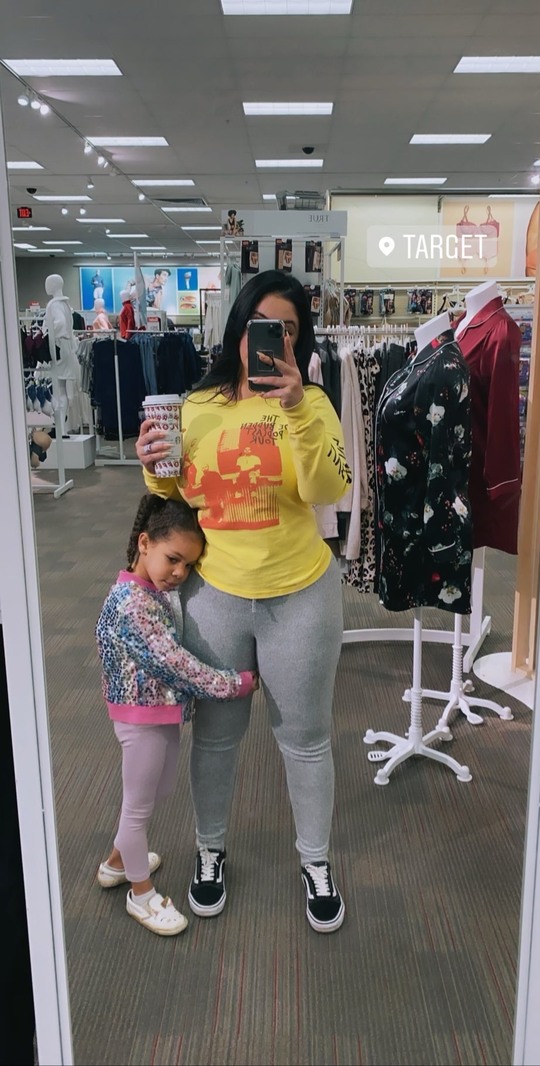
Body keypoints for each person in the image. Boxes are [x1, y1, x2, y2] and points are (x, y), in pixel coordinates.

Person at [136, 269, 352, 933]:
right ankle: (210, 850)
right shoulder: (198, 406)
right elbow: (177, 495)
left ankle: (315, 861)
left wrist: (296, 408)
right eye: (263, 325)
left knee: (306, 739)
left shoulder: (313, 402)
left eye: (287, 330)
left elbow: (327, 490)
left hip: (301, 596)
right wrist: (152, 463)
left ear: (298, 339)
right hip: (216, 597)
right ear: (238, 329)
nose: (273, 340)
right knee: (216, 738)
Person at [95, 493, 258, 937]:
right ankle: (141, 895)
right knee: (138, 808)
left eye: (188, 565)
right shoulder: (132, 604)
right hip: (139, 719)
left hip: (160, 713)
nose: (180, 573)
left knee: (156, 792)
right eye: (173, 559)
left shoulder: (153, 592)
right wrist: (236, 683)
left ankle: (117, 863)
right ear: (144, 543)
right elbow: (177, 664)